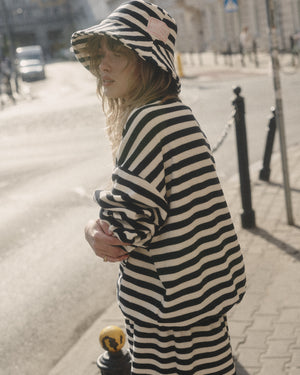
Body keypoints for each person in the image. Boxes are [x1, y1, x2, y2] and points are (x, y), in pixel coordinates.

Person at [71, 1, 246, 374]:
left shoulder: (147, 121)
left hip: (166, 317)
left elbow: (123, 233)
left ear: (146, 60)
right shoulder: (177, 114)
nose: (103, 64)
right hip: (203, 304)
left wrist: (91, 229)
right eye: (100, 53)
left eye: (117, 52)